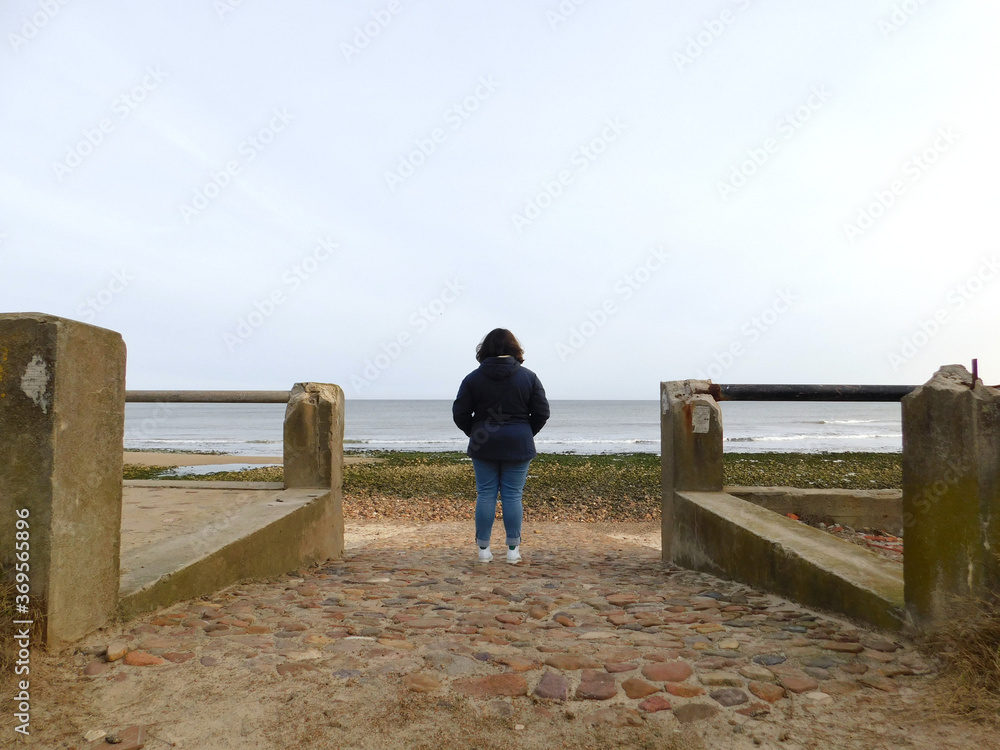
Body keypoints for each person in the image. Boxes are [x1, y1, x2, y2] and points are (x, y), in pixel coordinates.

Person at [452, 328, 549, 564]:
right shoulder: (529, 377)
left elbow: (460, 413)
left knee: (485, 494)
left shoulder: (473, 378)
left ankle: (483, 550)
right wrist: (525, 432)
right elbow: (542, 412)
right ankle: (513, 550)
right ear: (514, 348)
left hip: (484, 441)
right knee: (512, 495)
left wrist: (475, 432)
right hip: (518, 441)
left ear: (485, 350)